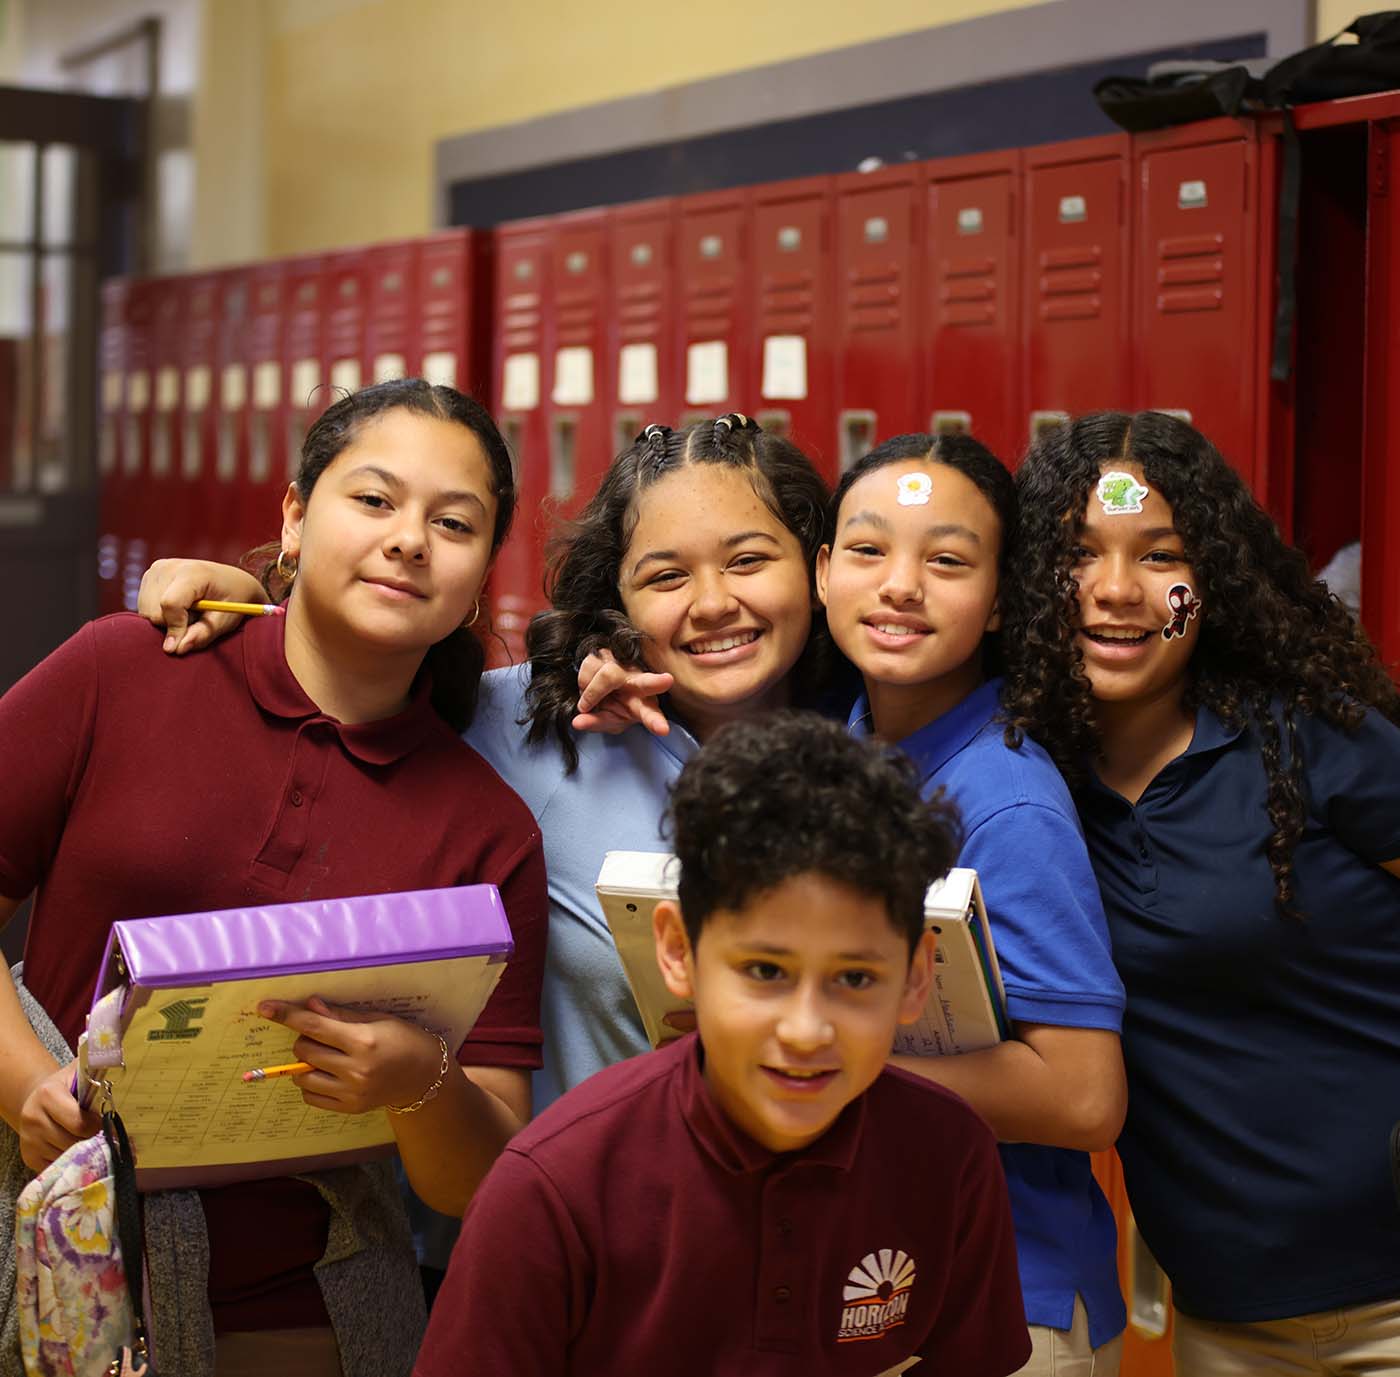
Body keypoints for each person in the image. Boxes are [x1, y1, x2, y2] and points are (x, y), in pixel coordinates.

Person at [0, 378, 547, 1375]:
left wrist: (416, 1082)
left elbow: (480, 1177)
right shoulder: (121, 670)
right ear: (293, 518)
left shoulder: (486, 830)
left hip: (308, 1311)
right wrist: (28, 1085)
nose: (409, 539)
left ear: (477, 584)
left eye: (453, 522)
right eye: (373, 500)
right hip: (50, 1270)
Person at [138, 414, 832, 1113]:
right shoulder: (525, 722)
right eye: (666, 576)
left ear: (819, 566)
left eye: (748, 561)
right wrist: (258, 603)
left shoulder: (877, 744)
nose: (713, 603)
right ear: (617, 597)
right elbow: (346, 682)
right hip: (560, 1197)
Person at [413, 712, 1032, 1377]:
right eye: (765, 971)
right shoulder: (550, 1188)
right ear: (678, 950)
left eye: (855, 978)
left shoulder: (951, 1153)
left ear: (915, 978)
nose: (805, 1030)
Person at [1003, 410, 1400, 1373]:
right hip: (1224, 1317)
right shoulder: (1030, 779)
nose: (1116, 590)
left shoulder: (1311, 740)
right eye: (1077, 553)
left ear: (1210, 583)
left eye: (1161, 556)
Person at [814, 432, 1127, 1374]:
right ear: (824, 573)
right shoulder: (844, 747)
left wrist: (832, 1057)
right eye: (868, 551)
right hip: (886, 1278)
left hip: (1006, 1304)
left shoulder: (1008, 800)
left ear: (999, 603)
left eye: (946, 561)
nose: (900, 585)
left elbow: (1084, 1097)